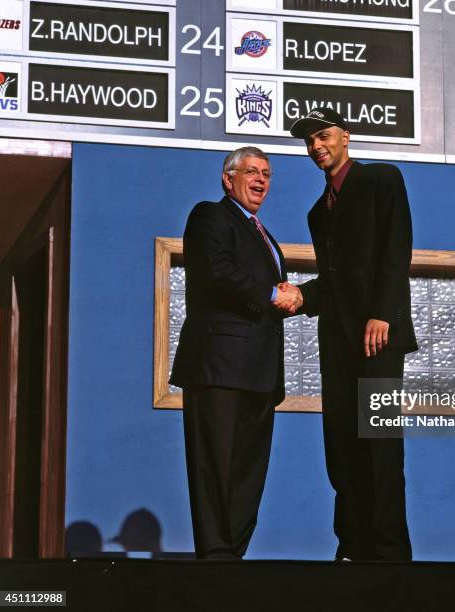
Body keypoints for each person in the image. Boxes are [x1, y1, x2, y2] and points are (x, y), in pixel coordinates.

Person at [286, 109, 418, 561]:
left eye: (323, 135)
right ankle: (353, 547)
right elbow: (335, 281)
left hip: (379, 339)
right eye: (309, 141)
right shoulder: (317, 213)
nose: (316, 146)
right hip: (337, 342)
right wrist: (299, 296)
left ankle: (389, 553)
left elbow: (395, 250)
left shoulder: (383, 179)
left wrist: (383, 313)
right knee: (341, 443)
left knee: (378, 444)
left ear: (346, 136)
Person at [169, 146, 301, 560]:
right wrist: (271, 294)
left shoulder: (265, 235)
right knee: (215, 467)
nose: (261, 179)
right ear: (229, 179)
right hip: (219, 365)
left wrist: (295, 296)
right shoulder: (209, 215)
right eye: (252, 171)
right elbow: (218, 270)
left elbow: (276, 293)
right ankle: (215, 559)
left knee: (248, 473)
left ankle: (234, 558)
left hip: (260, 371)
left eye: (267, 173)